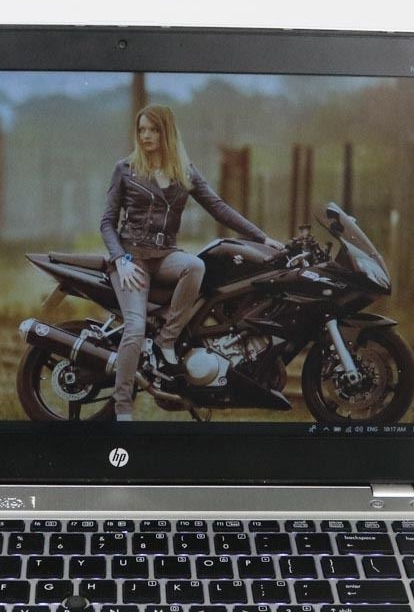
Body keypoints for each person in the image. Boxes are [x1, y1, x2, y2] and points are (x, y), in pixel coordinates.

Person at [100, 104, 285, 420]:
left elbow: (219, 208)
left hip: (165, 255)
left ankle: (167, 339)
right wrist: (121, 260)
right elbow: (107, 222)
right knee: (134, 327)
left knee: (196, 266)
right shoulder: (125, 169)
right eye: (141, 130)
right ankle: (123, 408)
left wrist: (262, 237)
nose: (146, 136)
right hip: (132, 259)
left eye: (153, 130)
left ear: (167, 133)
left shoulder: (184, 172)